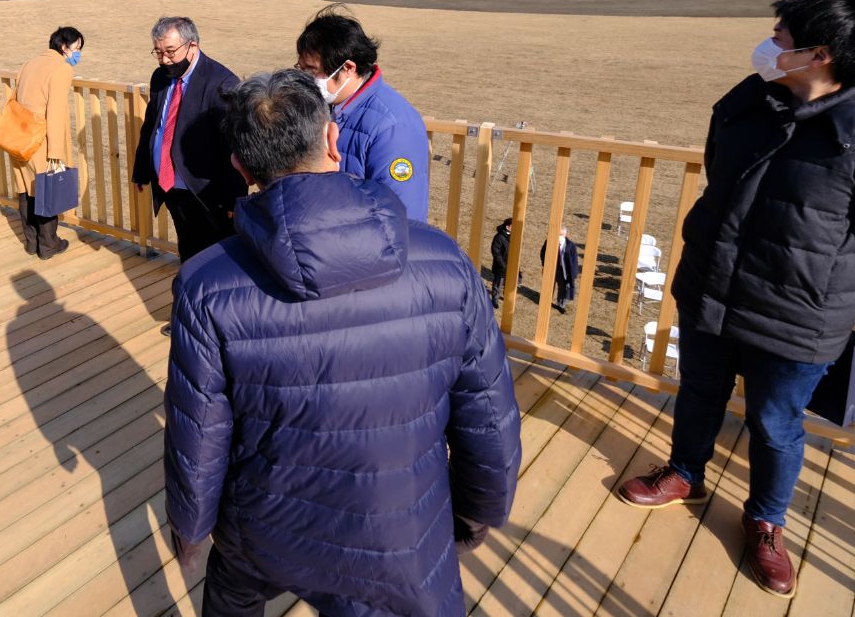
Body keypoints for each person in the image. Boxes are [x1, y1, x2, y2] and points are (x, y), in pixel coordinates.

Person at [164, 69, 522, 616]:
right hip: (403, 527)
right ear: (332, 141)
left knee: (232, 595)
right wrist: (480, 511)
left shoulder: (205, 284)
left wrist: (190, 528)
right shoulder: (444, 261)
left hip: (264, 525)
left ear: (240, 166)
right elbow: (489, 416)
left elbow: (198, 432)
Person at [617, 0, 855, 598]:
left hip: (800, 317)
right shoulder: (748, 102)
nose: (768, 45)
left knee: (777, 424)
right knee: (698, 392)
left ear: (819, 54)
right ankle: (684, 472)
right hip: (712, 287)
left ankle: (767, 521)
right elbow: (717, 172)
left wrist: (829, 284)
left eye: (781, 37)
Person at [295, 5, 430, 222]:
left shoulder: (393, 127)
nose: (304, 78)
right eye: (300, 68)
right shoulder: (323, 106)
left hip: (362, 250)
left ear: (348, 68)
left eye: (311, 70)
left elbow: (401, 215)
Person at [132, 17, 248, 263]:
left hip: (207, 193)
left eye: (171, 52)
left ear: (192, 46)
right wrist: (142, 169)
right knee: (188, 249)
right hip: (171, 186)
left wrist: (233, 199)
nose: (164, 60)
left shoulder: (222, 84)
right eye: (158, 52)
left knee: (216, 257)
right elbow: (153, 125)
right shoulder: (160, 77)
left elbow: (233, 147)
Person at [13, 26, 83, 259]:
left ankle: (31, 242)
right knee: (46, 188)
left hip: (19, 134)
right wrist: (55, 151)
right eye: (77, 48)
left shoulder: (30, 63)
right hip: (40, 137)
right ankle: (49, 244)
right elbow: (55, 112)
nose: (78, 54)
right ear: (64, 47)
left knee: (25, 189)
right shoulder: (61, 69)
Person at [540, 226, 579, 313]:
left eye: (561, 234)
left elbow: (574, 260)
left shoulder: (570, 245)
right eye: (558, 234)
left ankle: (560, 304)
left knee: (563, 287)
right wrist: (544, 264)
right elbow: (543, 253)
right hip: (551, 268)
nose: (559, 236)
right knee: (548, 286)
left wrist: (573, 273)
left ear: (565, 234)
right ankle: (545, 302)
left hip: (563, 270)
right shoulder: (549, 241)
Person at [490, 217, 513, 307]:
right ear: (508, 227)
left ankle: (506, 297)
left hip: (511, 265)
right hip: (501, 266)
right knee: (498, 283)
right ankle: (495, 300)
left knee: (509, 283)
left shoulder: (513, 236)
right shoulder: (499, 237)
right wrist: (503, 265)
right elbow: (496, 252)